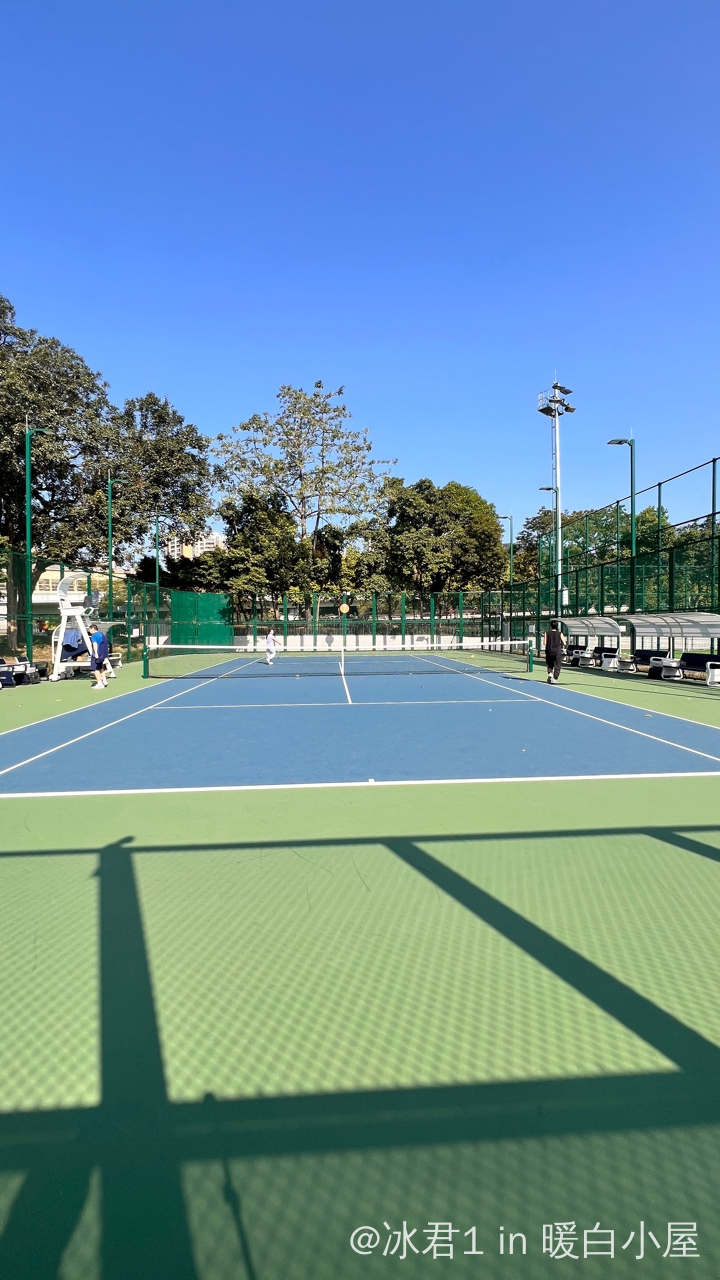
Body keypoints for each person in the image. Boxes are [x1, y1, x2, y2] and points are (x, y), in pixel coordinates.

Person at [89, 624, 109, 689]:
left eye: (89, 629)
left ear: (92, 629)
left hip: (97, 654)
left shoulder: (93, 636)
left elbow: (95, 644)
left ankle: (100, 684)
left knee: (96, 669)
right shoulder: (102, 635)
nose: (89, 631)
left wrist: (96, 653)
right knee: (100, 667)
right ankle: (104, 681)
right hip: (102, 654)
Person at [544, 620, 565, 684]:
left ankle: (550, 673)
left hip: (549, 651)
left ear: (551, 626)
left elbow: (544, 643)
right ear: (557, 626)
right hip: (557, 652)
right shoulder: (560, 634)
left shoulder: (546, 633)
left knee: (550, 664)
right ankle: (555, 678)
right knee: (558, 665)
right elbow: (564, 643)